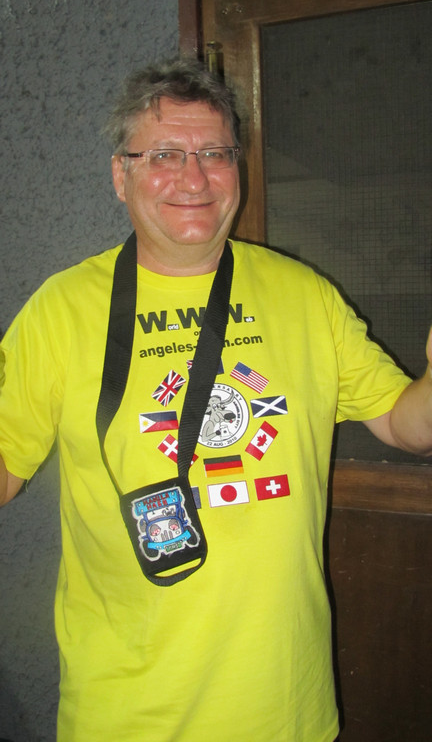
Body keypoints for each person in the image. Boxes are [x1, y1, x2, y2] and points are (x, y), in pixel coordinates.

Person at [0, 56, 431, 742]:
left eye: (215, 154)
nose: (194, 178)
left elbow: (408, 425)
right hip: (131, 718)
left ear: (239, 168)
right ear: (121, 176)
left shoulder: (303, 294)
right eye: (164, 154)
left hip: (288, 711)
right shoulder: (60, 310)